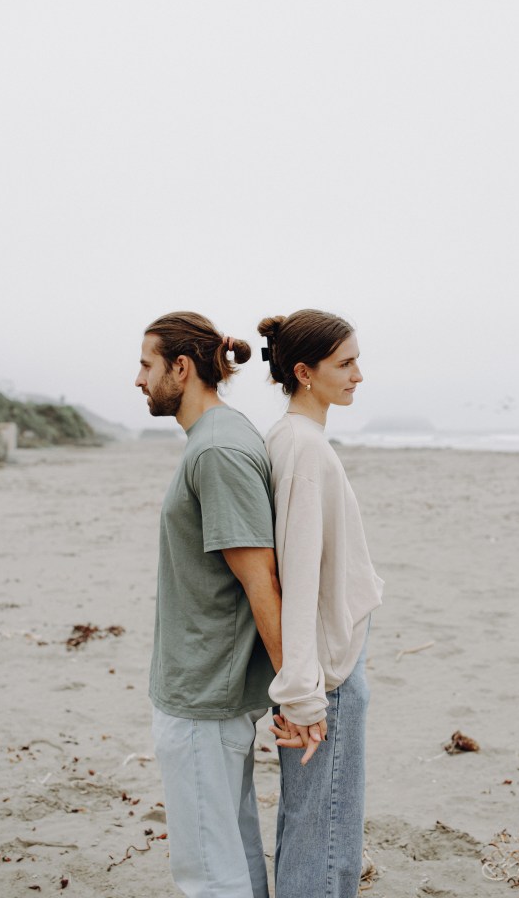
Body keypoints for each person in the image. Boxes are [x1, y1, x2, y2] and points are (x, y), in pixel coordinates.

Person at [135, 311, 283, 898]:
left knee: (208, 872)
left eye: (146, 365)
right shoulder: (217, 436)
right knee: (232, 849)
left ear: (181, 367)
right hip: (207, 685)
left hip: (204, 693)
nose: (138, 379)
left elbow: (260, 578)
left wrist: (296, 692)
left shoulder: (217, 449)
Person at [257, 309, 384, 898]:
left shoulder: (293, 439)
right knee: (326, 833)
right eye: (345, 363)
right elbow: (298, 577)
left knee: (311, 823)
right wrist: (304, 694)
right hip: (327, 671)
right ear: (304, 373)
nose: (358, 374)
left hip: (321, 666)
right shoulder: (303, 449)